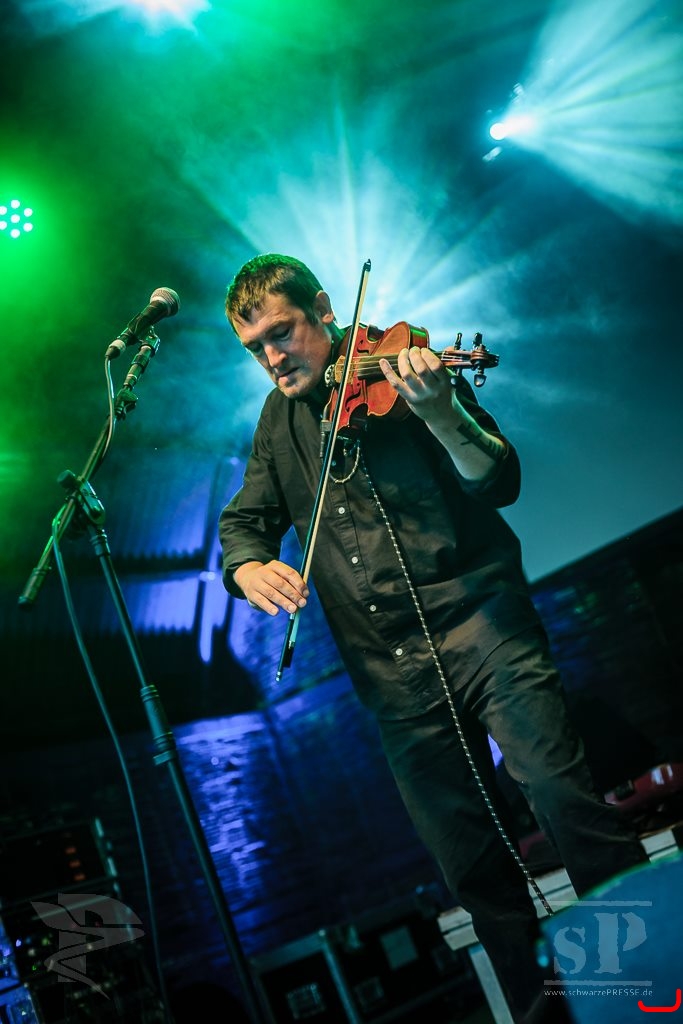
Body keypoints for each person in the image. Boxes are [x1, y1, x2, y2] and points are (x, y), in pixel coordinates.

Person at [217, 253, 648, 1023]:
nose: (273, 357)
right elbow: (243, 523)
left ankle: (650, 993)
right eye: (255, 348)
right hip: (393, 677)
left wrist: (444, 413)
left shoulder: (405, 363)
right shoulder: (277, 426)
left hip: (483, 625)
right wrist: (246, 568)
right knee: (472, 869)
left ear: (323, 309)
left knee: (565, 803)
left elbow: (498, 479)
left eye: (281, 333)